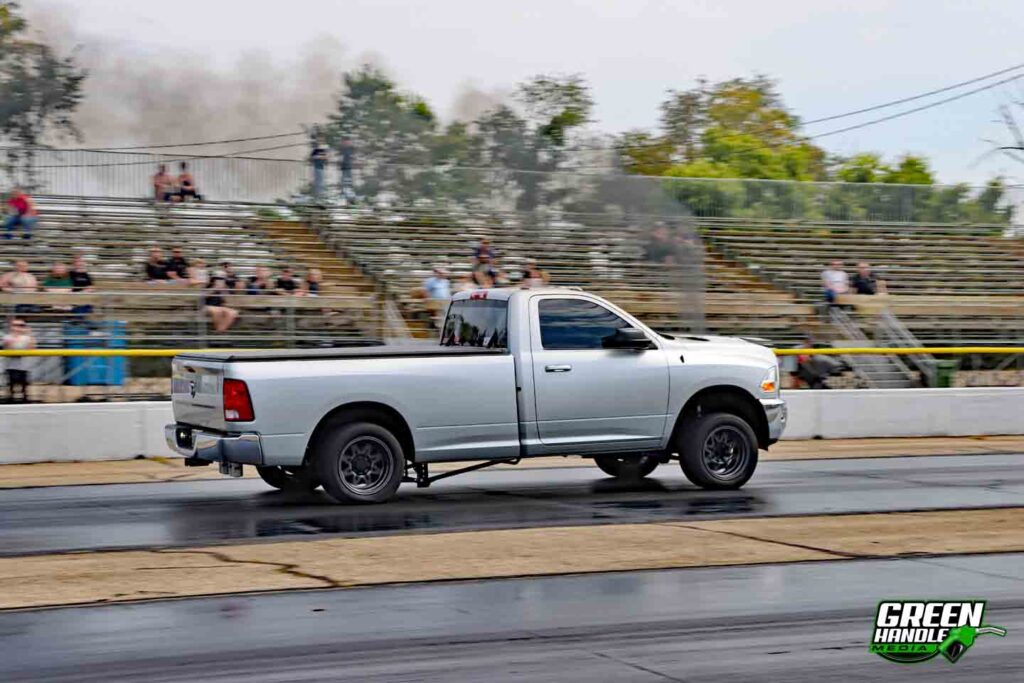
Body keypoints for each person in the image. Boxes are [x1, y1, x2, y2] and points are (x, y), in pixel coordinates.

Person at [3, 318, 35, 403]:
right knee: (11, 385)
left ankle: (24, 401)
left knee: (24, 386)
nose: (18, 327)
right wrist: (14, 337)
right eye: (15, 325)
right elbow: (8, 347)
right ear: (11, 327)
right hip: (11, 366)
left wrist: (29, 334)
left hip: (24, 366)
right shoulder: (7, 337)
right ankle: (10, 401)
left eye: (21, 325)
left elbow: (32, 348)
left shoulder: (27, 337)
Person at [310, 137, 328, 202]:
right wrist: (319, 157)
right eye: (319, 142)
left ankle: (320, 197)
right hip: (316, 168)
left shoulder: (323, 150)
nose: (320, 143)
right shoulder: (315, 150)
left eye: (321, 142)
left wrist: (322, 157)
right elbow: (312, 157)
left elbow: (326, 158)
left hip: (321, 168)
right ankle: (317, 198)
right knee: (317, 183)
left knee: (321, 183)